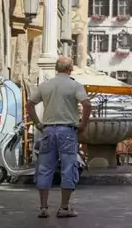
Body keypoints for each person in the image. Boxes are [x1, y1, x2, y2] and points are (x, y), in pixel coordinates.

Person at [26, 57, 92, 219]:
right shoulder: (74, 85)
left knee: (45, 167)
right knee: (68, 167)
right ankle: (64, 207)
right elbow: (87, 104)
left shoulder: (45, 85)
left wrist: (38, 124)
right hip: (67, 130)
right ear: (70, 69)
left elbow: (29, 104)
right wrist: (83, 123)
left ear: (56, 68)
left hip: (48, 130)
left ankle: (43, 207)